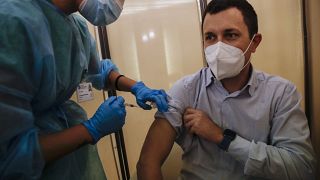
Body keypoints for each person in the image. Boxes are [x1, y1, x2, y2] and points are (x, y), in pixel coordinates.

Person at [136, 0, 316, 179]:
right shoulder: (186, 90)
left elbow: (301, 169)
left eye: (230, 35)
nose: (218, 47)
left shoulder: (281, 93)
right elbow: (147, 162)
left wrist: (222, 138)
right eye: (210, 37)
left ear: (255, 42)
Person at [0, 0, 168, 179]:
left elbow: (98, 72)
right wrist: (91, 129)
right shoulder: (11, 22)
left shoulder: (75, 25)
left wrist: (136, 87)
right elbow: (10, 155)